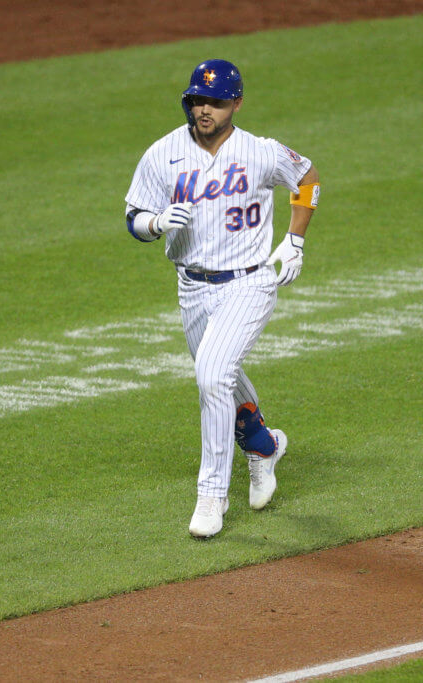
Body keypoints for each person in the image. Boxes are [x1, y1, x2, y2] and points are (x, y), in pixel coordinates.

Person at [124, 59, 320, 538]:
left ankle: (212, 496)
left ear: (236, 103)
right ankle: (263, 446)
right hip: (191, 287)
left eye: (214, 101)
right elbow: (133, 216)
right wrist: (155, 223)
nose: (203, 109)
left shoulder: (259, 152)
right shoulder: (162, 153)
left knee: (211, 375)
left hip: (249, 282)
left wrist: (295, 239)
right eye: (196, 100)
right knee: (223, 380)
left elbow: (308, 178)